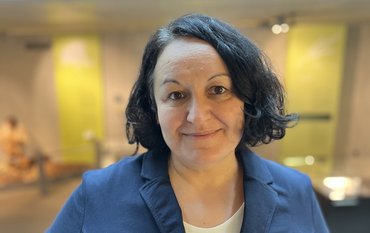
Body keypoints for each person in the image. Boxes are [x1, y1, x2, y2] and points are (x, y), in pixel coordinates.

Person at [47, 14, 329, 232]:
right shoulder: (98, 193)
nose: (198, 116)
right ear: (154, 108)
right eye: (176, 95)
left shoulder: (296, 190)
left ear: (247, 100)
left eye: (218, 90)